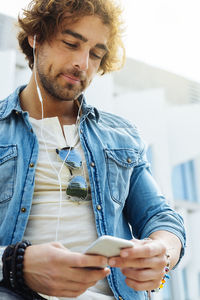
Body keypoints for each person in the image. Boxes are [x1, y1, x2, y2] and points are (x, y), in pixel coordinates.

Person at [0, 0, 186, 299]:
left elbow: (161, 218)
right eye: (71, 43)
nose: (83, 64)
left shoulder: (121, 136)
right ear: (36, 37)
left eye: (96, 54)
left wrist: (162, 254)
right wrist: (14, 263)